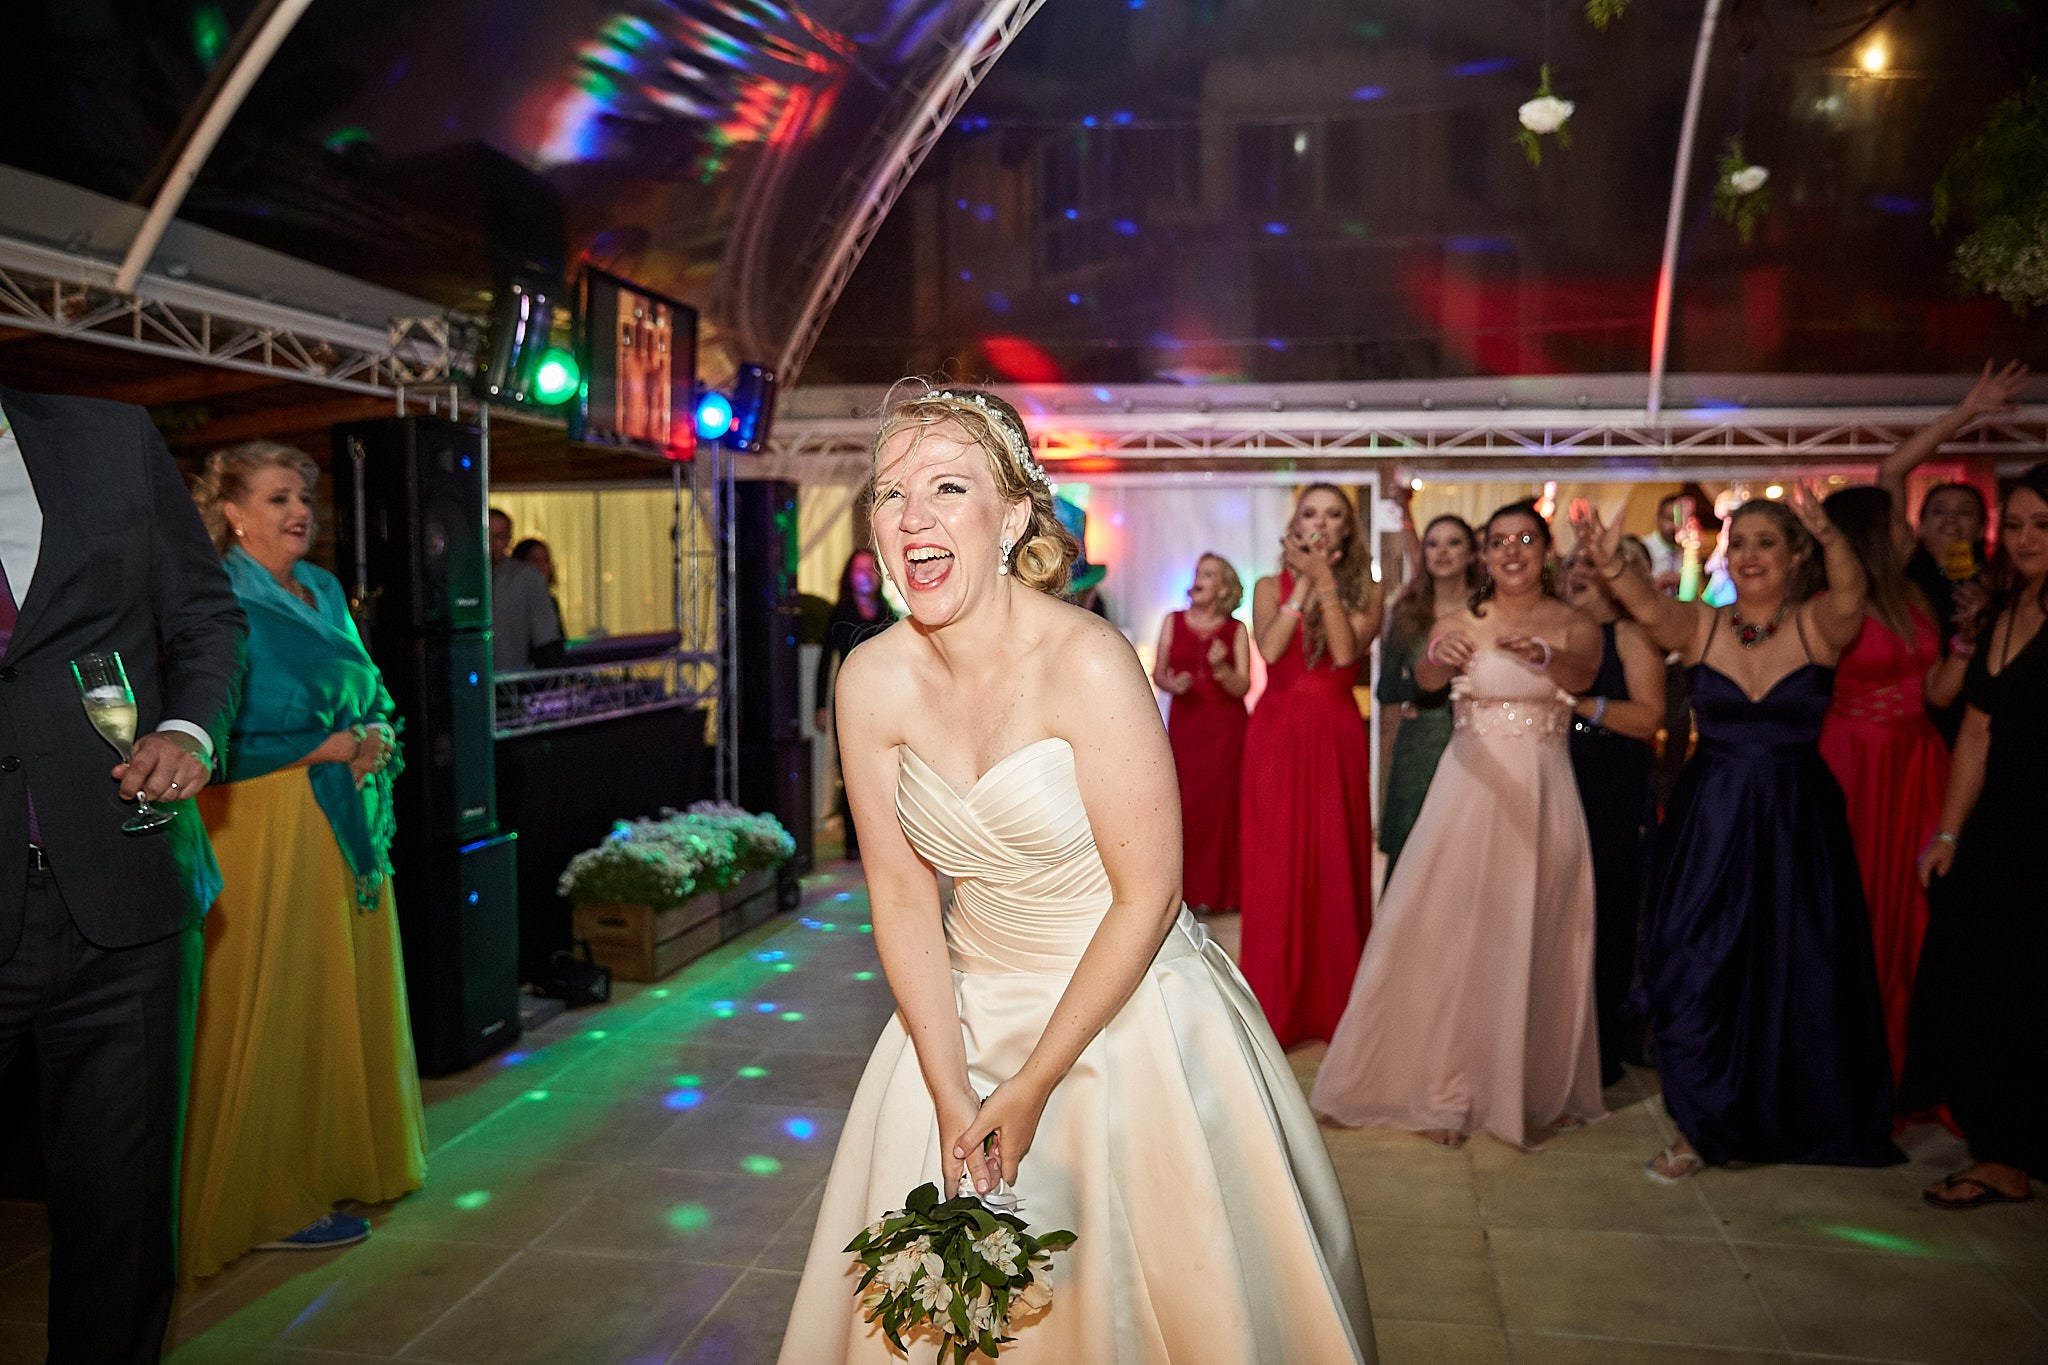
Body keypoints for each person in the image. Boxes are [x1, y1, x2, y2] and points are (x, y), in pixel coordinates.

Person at [777, 387, 1374, 1363]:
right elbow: (897, 891)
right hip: (957, 1013)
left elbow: (1151, 894)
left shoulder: (1090, 661)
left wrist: (1032, 1082)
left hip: (1128, 1013)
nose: (910, 517)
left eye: (945, 487)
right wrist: (947, 1084)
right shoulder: (868, 680)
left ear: (1012, 515)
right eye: (889, 495)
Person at [0, 386, 245, 1363]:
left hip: (128, 890)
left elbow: (205, 618)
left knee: (124, 1224)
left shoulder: (108, 437)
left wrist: (189, 728)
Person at [1577, 492, 1900, 1182]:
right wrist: (1609, 558)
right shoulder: (1702, 627)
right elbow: (1646, 606)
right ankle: (1699, 1123)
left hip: (1795, 821)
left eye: (1766, 543)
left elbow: (1853, 591)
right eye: (1741, 542)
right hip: (1712, 820)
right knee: (1692, 965)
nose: (1749, 555)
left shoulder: (1819, 624)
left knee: (1797, 967)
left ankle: (1793, 1114)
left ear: (1794, 558)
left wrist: (1829, 533)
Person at [180, 442, 426, 1280]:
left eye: (307, 499)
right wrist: (336, 741)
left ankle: (334, 1165)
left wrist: (374, 733)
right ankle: (259, 1195)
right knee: (272, 996)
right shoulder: (213, 592)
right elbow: (215, 727)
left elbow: (366, 682)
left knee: (330, 991)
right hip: (263, 821)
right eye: (279, 497)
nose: (300, 512)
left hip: (340, 816)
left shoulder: (319, 588)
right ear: (233, 510)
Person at [1312, 501, 1606, 1150]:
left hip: (1545, 790)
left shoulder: (1576, 623)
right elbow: (1423, 678)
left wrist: (1546, 657)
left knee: (1534, 930)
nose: (1510, 551)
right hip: (1468, 787)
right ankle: (1448, 1086)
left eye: (1524, 538)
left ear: (1545, 548)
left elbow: (1584, 675)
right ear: (1484, 553)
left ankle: (1524, 1083)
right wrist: (1440, 659)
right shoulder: (1458, 618)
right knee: (1451, 929)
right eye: (1498, 541)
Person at [1905, 462, 2048, 1209]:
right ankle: (2001, 1151)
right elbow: (1976, 729)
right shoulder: (2001, 611)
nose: (2026, 538)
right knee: (1986, 987)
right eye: (2017, 524)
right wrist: (1951, 831)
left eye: (2042, 525)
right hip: (1997, 828)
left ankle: (2013, 1152)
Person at [1815, 486, 1955, 1092]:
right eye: (1897, 519)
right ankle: (1847, 1066)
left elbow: (1937, 693)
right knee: (1860, 906)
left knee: (1915, 908)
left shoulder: (1915, 596)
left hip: (1918, 760)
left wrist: (1970, 640)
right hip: (1853, 759)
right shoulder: (1833, 606)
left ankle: (1907, 1063)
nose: (1910, 529)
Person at [1236, 484, 1381, 1048]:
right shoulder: (1268, 586)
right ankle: (1278, 1008)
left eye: (1334, 515)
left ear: (1348, 529)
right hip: (1275, 734)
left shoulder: (1369, 590)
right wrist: (1302, 589)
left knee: (1333, 857)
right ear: (1295, 524)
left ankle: (1336, 1007)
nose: (1321, 523)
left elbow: (1345, 654)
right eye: (1311, 512)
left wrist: (1325, 584)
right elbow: (1269, 651)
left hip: (1335, 732)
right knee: (1276, 861)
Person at [1877, 360, 2029, 744]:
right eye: (1939, 512)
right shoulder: (1905, 568)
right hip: (1916, 722)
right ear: (1919, 524)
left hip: (1990, 720)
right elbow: (1892, 472)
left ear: (1982, 527)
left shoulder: (2005, 576)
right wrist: (1970, 410)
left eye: (1964, 513)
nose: (1950, 521)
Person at [1560, 533, 1666, 1087]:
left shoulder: (1627, 635)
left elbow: (1650, 717)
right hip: (1556, 779)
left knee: (1605, 915)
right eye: (1573, 562)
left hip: (1611, 785)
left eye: (1591, 563)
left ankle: (1597, 1045)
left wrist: (1580, 707)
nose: (1578, 571)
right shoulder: (1555, 631)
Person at [1374, 502, 1479, 881]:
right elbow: (1386, 689)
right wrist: (1424, 689)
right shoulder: (1406, 612)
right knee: (1412, 845)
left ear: (1471, 554)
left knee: (1467, 842)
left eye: (1453, 543)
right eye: (1433, 544)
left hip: (1478, 736)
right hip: (1421, 741)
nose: (1442, 552)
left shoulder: (1486, 610)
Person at [1151, 552, 1251, 914]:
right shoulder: (1172, 621)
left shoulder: (1236, 629)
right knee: (1186, 805)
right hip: (1186, 725)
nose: (1198, 580)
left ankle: (1226, 893)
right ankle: (1186, 893)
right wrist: (1172, 683)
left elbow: (1243, 686)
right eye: (1198, 573)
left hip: (1226, 729)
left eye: (1208, 575)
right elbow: (1158, 672)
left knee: (1224, 809)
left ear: (1224, 586)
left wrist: (1221, 668)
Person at [814, 547, 898, 860]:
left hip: (883, 703)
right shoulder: (841, 613)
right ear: (850, 577)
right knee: (851, 769)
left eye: (869, 569)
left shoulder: (886, 612)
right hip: (848, 703)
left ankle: (883, 836)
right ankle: (853, 841)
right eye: (858, 570)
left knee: (884, 768)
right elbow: (825, 661)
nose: (864, 576)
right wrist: (820, 707)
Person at [488, 508, 563, 671]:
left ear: (509, 539)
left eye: (499, 537)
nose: (492, 543)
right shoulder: (457, 577)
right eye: (487, 535)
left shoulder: (525, 578)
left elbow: (547, 641)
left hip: (512, 683)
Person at [511, 536, 568, 644]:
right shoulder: (513, 601)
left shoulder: (549, 600)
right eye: (535, 561)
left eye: (546, 561)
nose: (542, 567)